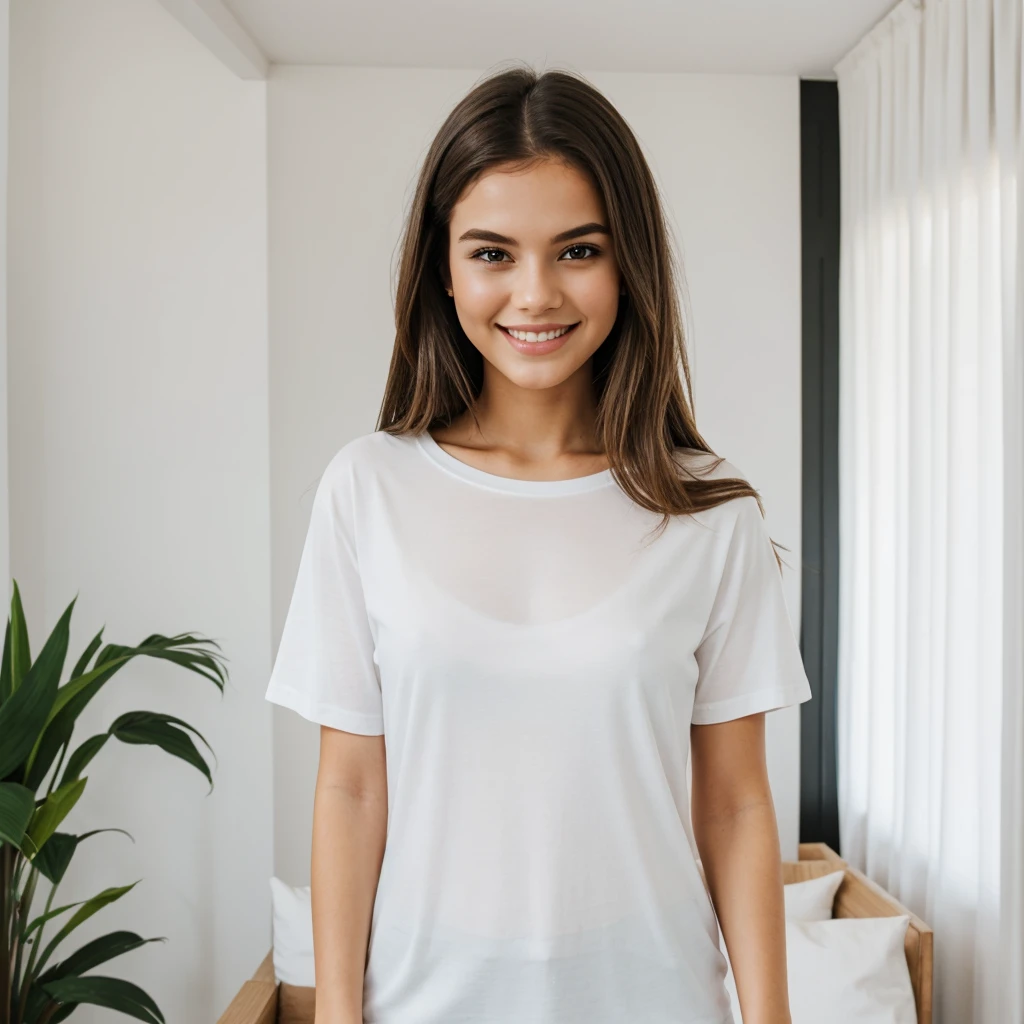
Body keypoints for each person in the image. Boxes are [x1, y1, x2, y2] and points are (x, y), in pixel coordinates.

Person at [265, 62, 813, 1024]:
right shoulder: (368, 489)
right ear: (443, 267)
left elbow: (734, 804)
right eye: (492, 254)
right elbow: (350, 789)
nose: (534, 293)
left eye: (577, 250)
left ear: (627, 259)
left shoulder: (710, 514)